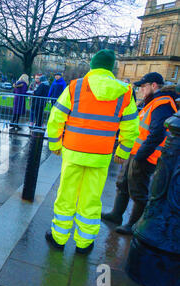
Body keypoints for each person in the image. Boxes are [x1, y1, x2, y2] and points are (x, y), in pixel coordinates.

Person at [46, 49, 139, 254]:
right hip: (101, 155)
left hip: (73, 151)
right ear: (111, 68)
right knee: (91, 199)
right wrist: (123, 152)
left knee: (66, 195)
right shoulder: (124, 92)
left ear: (93, 66)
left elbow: (56, 118)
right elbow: (131, 127)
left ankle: (59, 238)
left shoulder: (75, 87)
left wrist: (54, 144)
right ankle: (85, 242)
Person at [102, 72, 178, 235]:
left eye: (143, 87)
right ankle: (116, 215)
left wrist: (141, 154)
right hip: (136, 152)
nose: (141, 90)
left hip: (145, 156)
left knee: (138, 191)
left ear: (153, 85)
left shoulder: (162, 103)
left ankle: (134, 225)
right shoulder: (154, 101)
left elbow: (157, 133)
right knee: (123, 184)